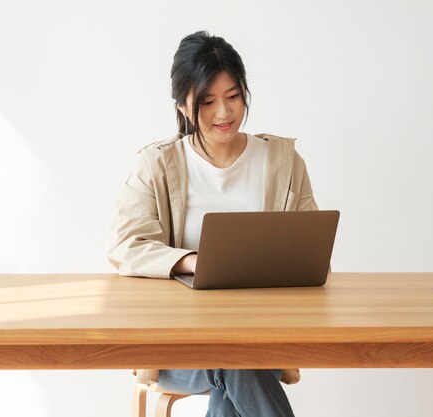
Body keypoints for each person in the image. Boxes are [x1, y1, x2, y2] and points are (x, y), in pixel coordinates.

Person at [107, 31, 318, 417]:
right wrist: (191, 261)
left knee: (237, 362)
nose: (224, 113)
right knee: (234, 362)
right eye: (208, 101)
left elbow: (309, 250)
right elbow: (126, 245)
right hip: (177, 348)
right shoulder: (156, 164)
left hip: (262, 337)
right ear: (183, 106)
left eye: (233, 96)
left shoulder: (283, 162)